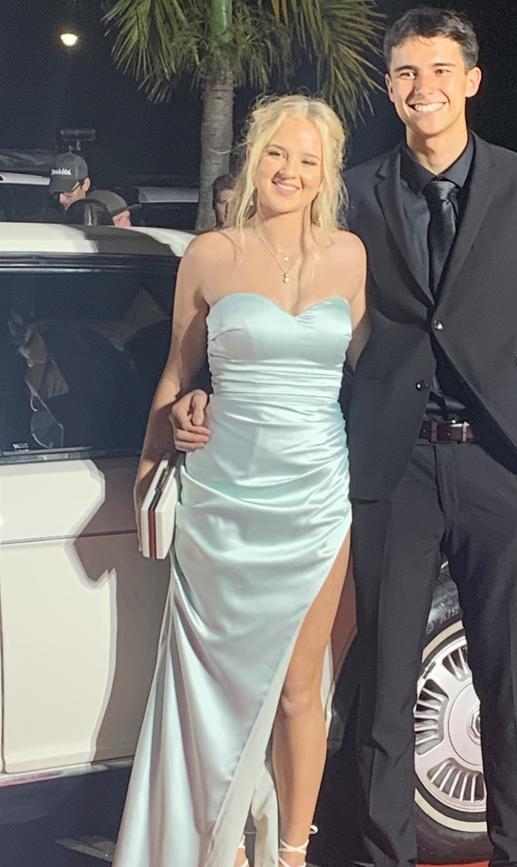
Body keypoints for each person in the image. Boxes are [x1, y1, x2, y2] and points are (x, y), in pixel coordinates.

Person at [170, 8, 517, 867]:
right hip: (393, 467)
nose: (421, 87)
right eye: (404, 73)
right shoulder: (354, 189)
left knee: (505, 682)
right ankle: (383, 855)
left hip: (503, 465)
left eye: (438, 70)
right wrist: (205, 387)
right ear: (390, 87)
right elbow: (278, 304)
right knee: (385, 684)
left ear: (470, 79)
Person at [112, 94, 366, 867]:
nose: (290, 171)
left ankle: (290, 851)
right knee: (211, 695)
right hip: (223, 503)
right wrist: (164, 443)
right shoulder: (211, 256)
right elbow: (173, 377)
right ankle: (210, 846)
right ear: (255, 158)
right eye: (278, 154)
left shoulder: (351, 257)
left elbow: (375, 375)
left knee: (300, 688)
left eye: (307, 159)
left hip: (319, 495)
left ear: (327, 174)